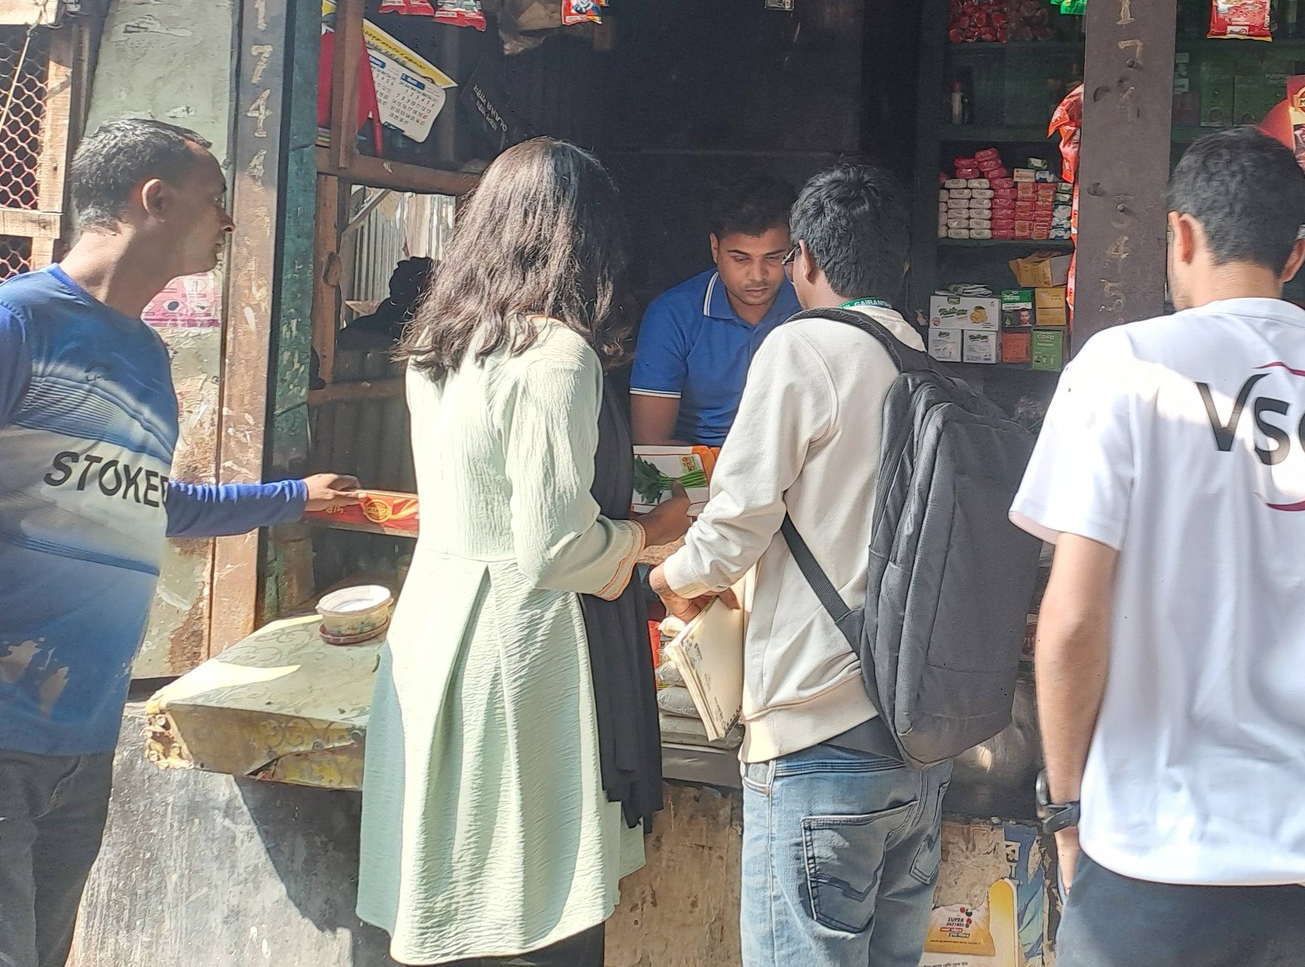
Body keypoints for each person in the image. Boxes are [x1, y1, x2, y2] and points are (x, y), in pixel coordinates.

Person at [1013, 128, 1305, 967]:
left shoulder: (1122, 368)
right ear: (1298, 256)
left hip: (1160, 858)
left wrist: (1067, 811)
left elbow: (1073, 619)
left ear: (1182, 235)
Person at [0, 117, 358, 967]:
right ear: (152, 200)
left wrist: (287, 500)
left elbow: (147, 504)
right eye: (215, 201)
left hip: (82, 737)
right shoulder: (20, 325)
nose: (228, 223)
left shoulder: (146, 358)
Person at [357, 139, 696, 967]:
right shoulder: (556, 356)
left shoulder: (442, 342)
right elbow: (553, 549)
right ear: (586, 242)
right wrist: (654, 533)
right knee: (532, 898)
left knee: (449, 870)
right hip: (522, 649)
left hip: (435, 627)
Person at [654, 165, 943, 967]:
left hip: (820, 739)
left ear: (804, 259)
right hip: (913, 744)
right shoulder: (919, 357)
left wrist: (670, 579)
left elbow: (737, 520)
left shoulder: (803, 347)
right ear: (902, 264)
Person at [630, 174, 801, 448]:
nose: (757, 275)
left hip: (793, 472)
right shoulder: (672, 315)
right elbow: (653, 445)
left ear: (794, 251)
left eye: (773, 257)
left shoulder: (811, 307)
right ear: (715, 249)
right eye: (741, 258)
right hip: (696, 479)